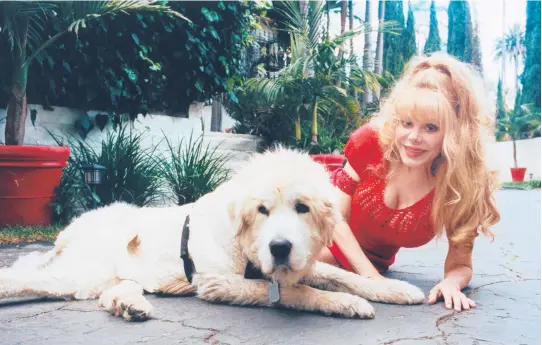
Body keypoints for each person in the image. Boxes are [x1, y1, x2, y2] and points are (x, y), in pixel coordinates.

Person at [318, 52, 501, 312]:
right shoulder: (370, 141)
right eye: (407, 123)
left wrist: (451, 283)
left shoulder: (462, 184)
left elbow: (461, 265)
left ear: (455, 134)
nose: (413, 138)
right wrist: (372, 280)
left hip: (371, 261)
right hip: (319, 228)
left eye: (431, 128)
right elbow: (332, 217)